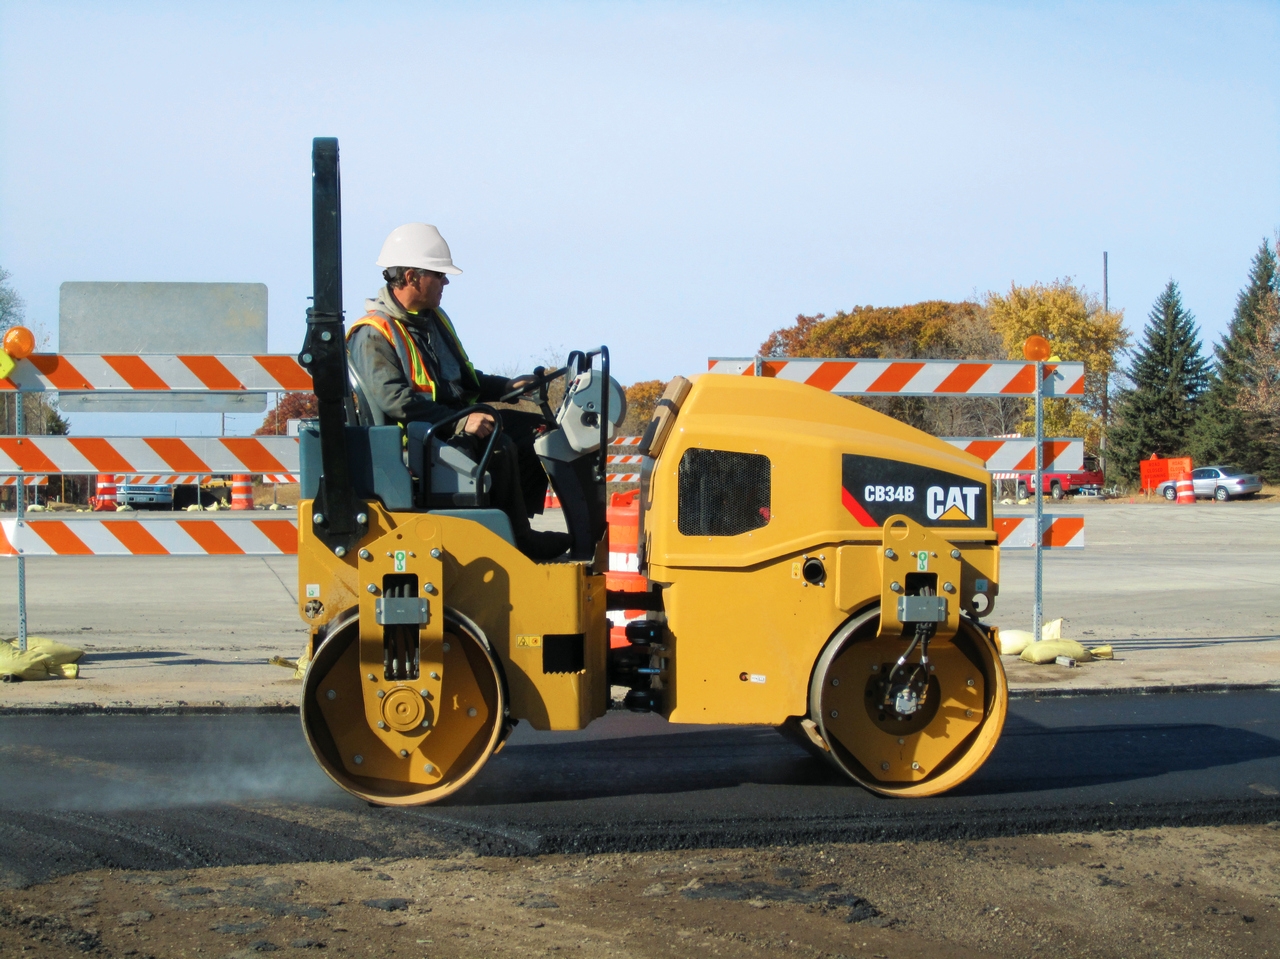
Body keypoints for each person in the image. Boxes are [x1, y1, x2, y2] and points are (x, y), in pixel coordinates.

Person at [347, 223, 570, 561]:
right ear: (410, 277)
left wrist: (506, 387)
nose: (446, 282)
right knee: (500, 446)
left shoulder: (432, 320)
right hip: (417, 440)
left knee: (536, 432)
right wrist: (459, 423)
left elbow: (462, 382)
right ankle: (517, 542)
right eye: (439, 275)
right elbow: (396, 402)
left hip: (444, 424)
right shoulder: (374, 335)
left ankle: (516, 525)